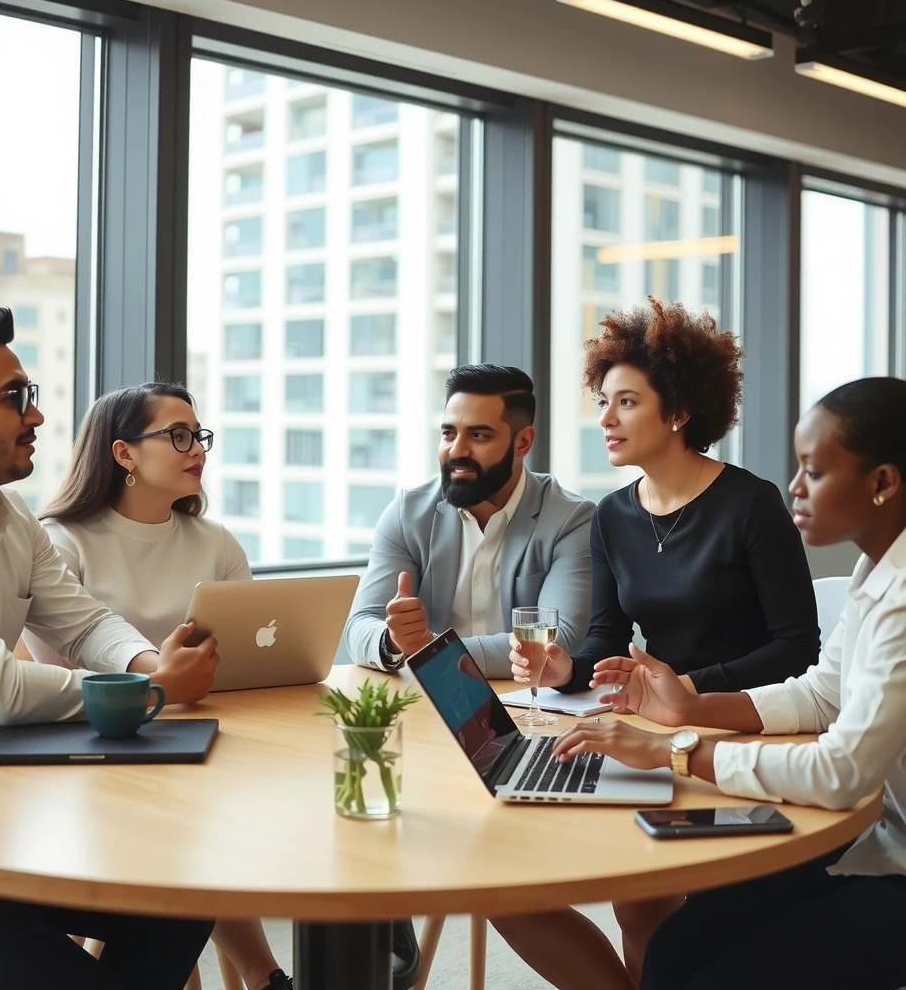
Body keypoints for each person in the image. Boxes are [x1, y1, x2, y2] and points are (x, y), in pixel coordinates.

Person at [0, 309, 216, 990]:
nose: (35, 416)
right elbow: (0, 689)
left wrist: (150, 664)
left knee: (187, 892)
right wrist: (154, 693)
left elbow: (83, 622)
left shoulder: (10, 516)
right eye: (15, 397)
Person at [493, 299, 820, 989]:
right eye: (602, 402)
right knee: (626, 905)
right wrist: (564, 666)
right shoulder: (613, 515)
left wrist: (693, 691)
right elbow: (612, 638)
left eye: (626, 402)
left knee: (669, 912)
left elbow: (798, 648)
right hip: (648, 726)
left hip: (746, 729)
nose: (604, 419)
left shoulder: (751, 504)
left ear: (677, 412)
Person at [552, 375, 906, 990]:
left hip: (891, 855)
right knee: (669, 952)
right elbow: (822, 694)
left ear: (882, 483)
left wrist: (675, 750)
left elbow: (842, 771)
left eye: (814, 471)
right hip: (875, 835)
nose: (794, 487)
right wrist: (688, 707)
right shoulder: (873, 566)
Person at [23, 382, 292, 990]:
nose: (197, 448)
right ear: (123, 454)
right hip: (98, 758)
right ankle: (263, 971)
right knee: (195, 819)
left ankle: (260, 972)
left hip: (203, 742)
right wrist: (162, 683)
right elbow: (66, 679)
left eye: (199, 435)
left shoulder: (215, 541)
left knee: (224, 800)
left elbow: (250, 656)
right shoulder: (60, 543)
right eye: (178, 435)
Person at [339, 363, 594, 678]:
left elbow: (556, 642)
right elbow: (360, 625)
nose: (456, 450)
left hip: (527, 703)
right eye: (448, 433)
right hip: (429, 703)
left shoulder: (571, 519)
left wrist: (428, 649)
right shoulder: (408, 514)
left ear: (523, 442)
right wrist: (393, 641)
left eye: (478, 435)